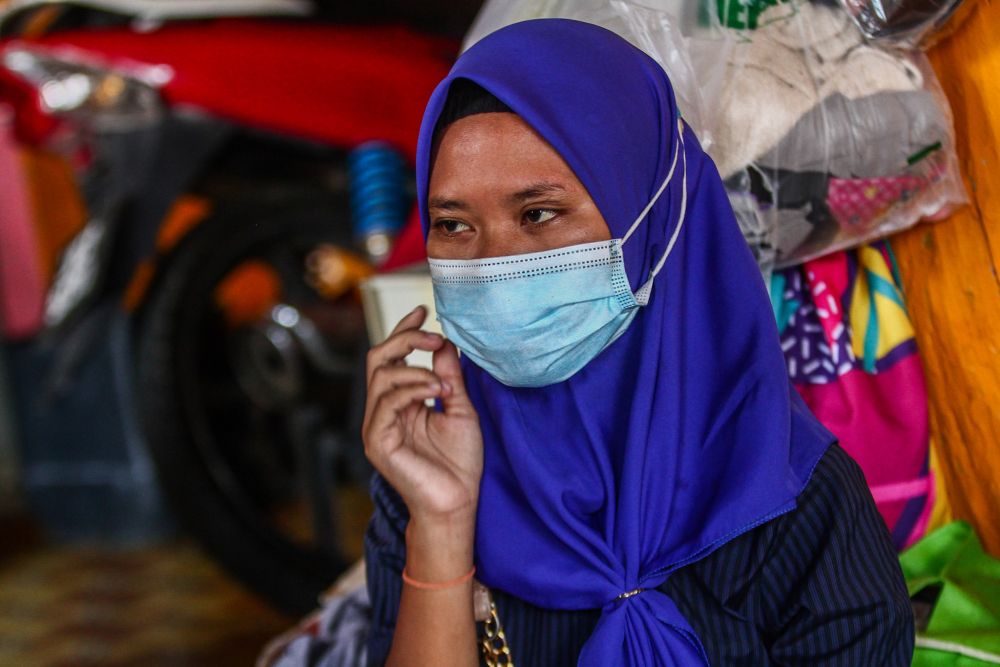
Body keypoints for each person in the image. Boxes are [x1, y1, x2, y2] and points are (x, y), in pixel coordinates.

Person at [362, 18, 914, 667]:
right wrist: (442, 524)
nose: (493, 263)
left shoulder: (794, 499)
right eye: (453, 224)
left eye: (538, 213)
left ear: (650, 220)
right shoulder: (426, 471)